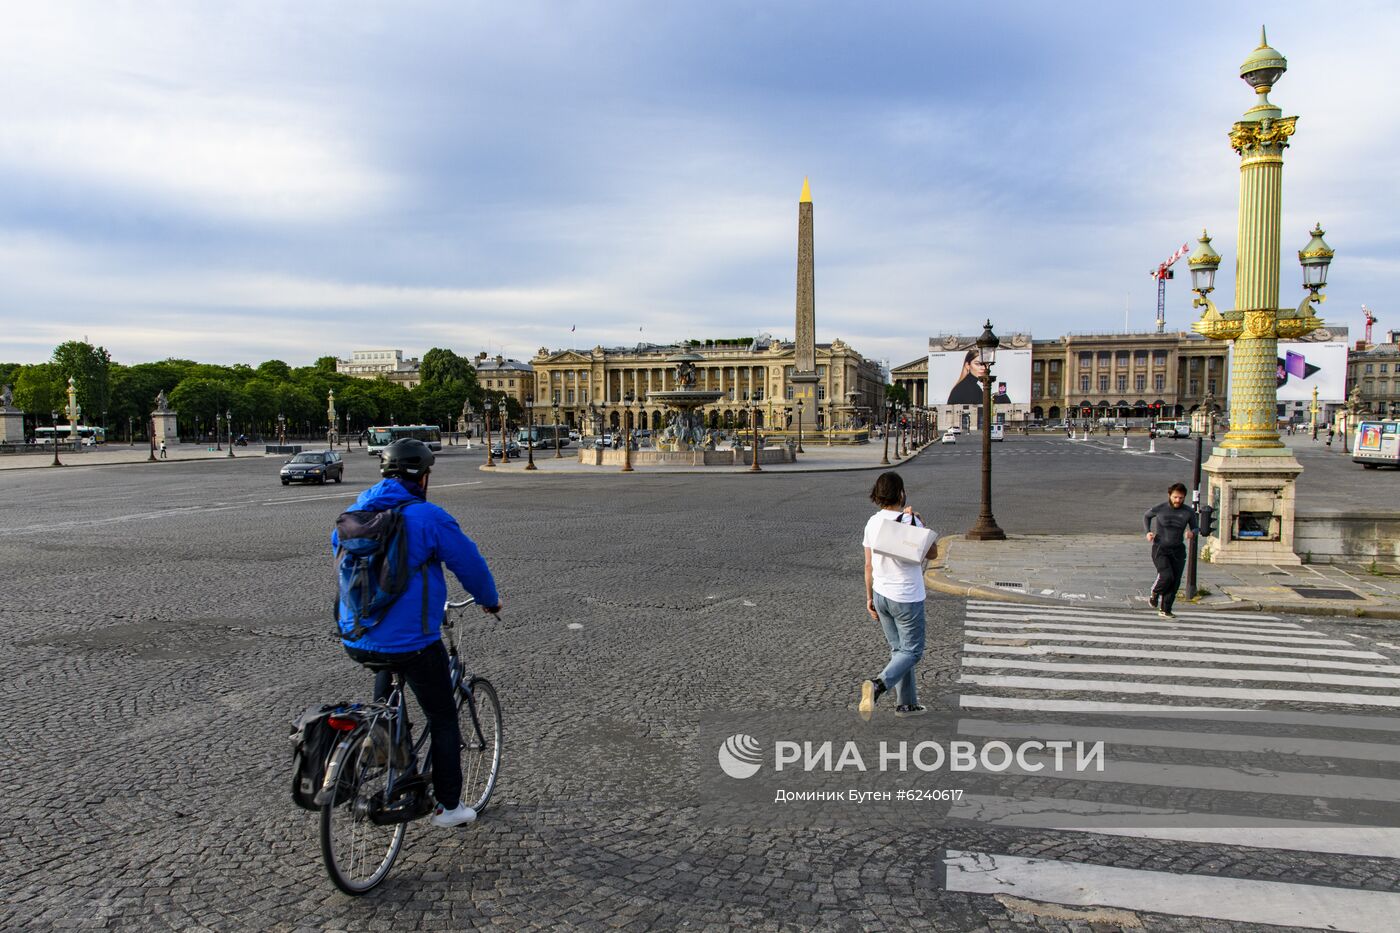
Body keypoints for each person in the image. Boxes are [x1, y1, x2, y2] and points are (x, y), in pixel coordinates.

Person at [333, 438, 502, 828]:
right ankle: (448, 806)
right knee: (443, 717)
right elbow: (470, 565)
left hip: (357, 636)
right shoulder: (428, 517)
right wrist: (489, 600)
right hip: (412, 641)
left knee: (388, 696)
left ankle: (393, 755)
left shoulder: (355, 514)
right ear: (421, 478)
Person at [858, 472, 938, 717]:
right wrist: (920, 522)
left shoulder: (873, 522)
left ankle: (907, 703)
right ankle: (878, 684)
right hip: (906, 596)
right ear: (901, 493)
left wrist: (869, 598)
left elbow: (868, 565)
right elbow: (932, 554)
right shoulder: (910, 521)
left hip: (881, 594)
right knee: (912, 651)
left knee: (899, 650)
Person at [1144, 482, 1198, 619]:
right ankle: (1155, 592)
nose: (1177, 500)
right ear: (1170, 495)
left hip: (1178, 550)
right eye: (1175, 497)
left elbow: (1196, 528)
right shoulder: (1160, 508)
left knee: (1175, 582)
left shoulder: (1188, 512)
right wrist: (1148, 532)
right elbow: (1147, 516)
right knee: (1167, 576)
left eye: (1181, 498)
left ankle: (1165, 609)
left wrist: (1192, 533)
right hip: (1160, 549)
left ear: (1184, 497)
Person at [946, 350, 1011, 405]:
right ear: (967, 365)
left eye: (985, 364)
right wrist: (1002, 397)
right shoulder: (969, 387)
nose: (983, 368)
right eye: (977, 364)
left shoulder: (967, 384)